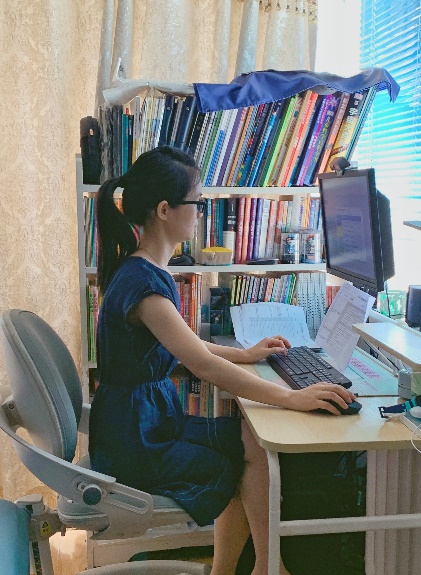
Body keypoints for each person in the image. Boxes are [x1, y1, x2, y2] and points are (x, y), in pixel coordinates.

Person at [89, 146, 356, 575]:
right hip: (136, 440)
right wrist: (291, 398)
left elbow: (186, 345)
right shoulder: (145, 285)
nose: (201, 212)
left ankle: (259, 566)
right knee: (241, 458)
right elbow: (203, 366)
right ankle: (265, 567)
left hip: (147, 421)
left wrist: (246, 355)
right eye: (197, 202)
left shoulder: (143, 271)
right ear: (165, 210)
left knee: (250, 441)